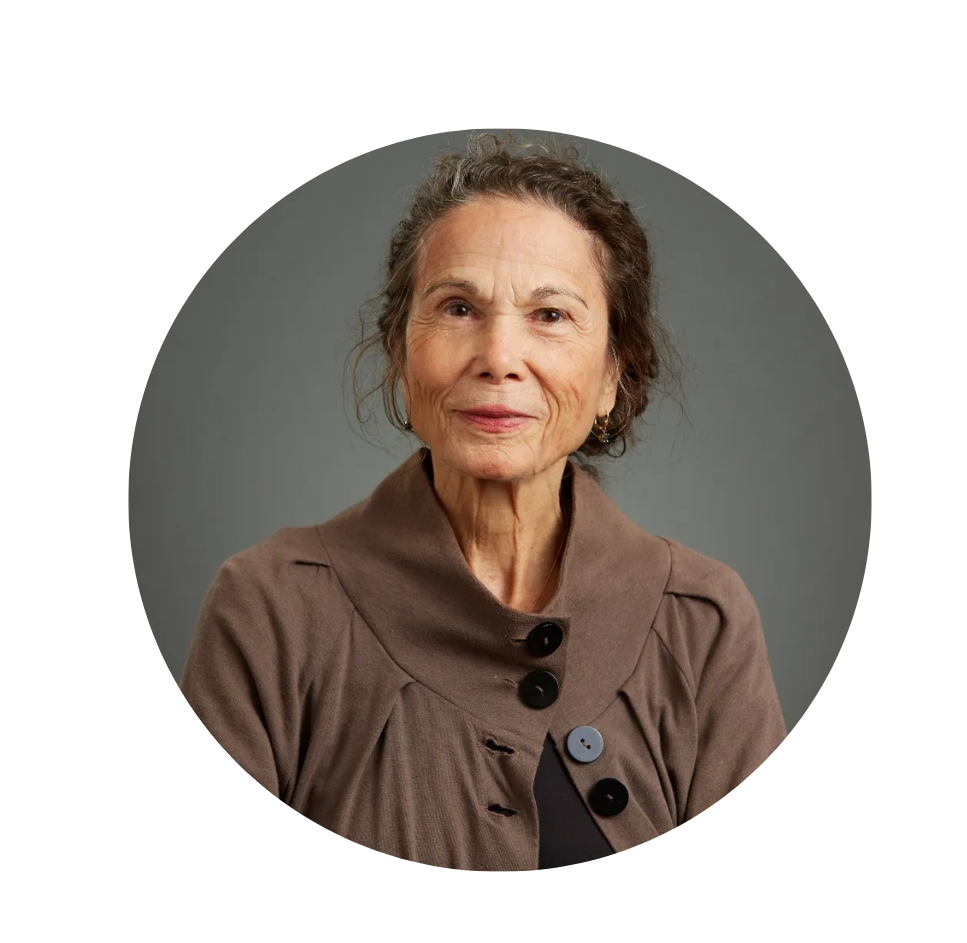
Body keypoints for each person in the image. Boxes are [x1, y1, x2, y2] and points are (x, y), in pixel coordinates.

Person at [180, 133, 787, 870]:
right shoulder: (270, 607)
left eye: (550, 315)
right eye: (459, 307)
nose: (499, 358)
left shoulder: (703, 618)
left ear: (612, 377)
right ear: (401, 355)